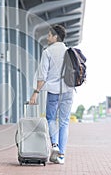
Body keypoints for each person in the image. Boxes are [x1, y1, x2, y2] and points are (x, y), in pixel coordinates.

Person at [29, 24, 73, 165]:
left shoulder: (47, 52)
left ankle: (54, 145)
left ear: (55, 36)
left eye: (49, 35)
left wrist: (35, 93)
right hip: (68, 91)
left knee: (51, 118)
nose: (47, 37)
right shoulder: (69, 51)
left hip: (54, 91)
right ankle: (61, 155)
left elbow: (42, 76)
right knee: (64, 122)